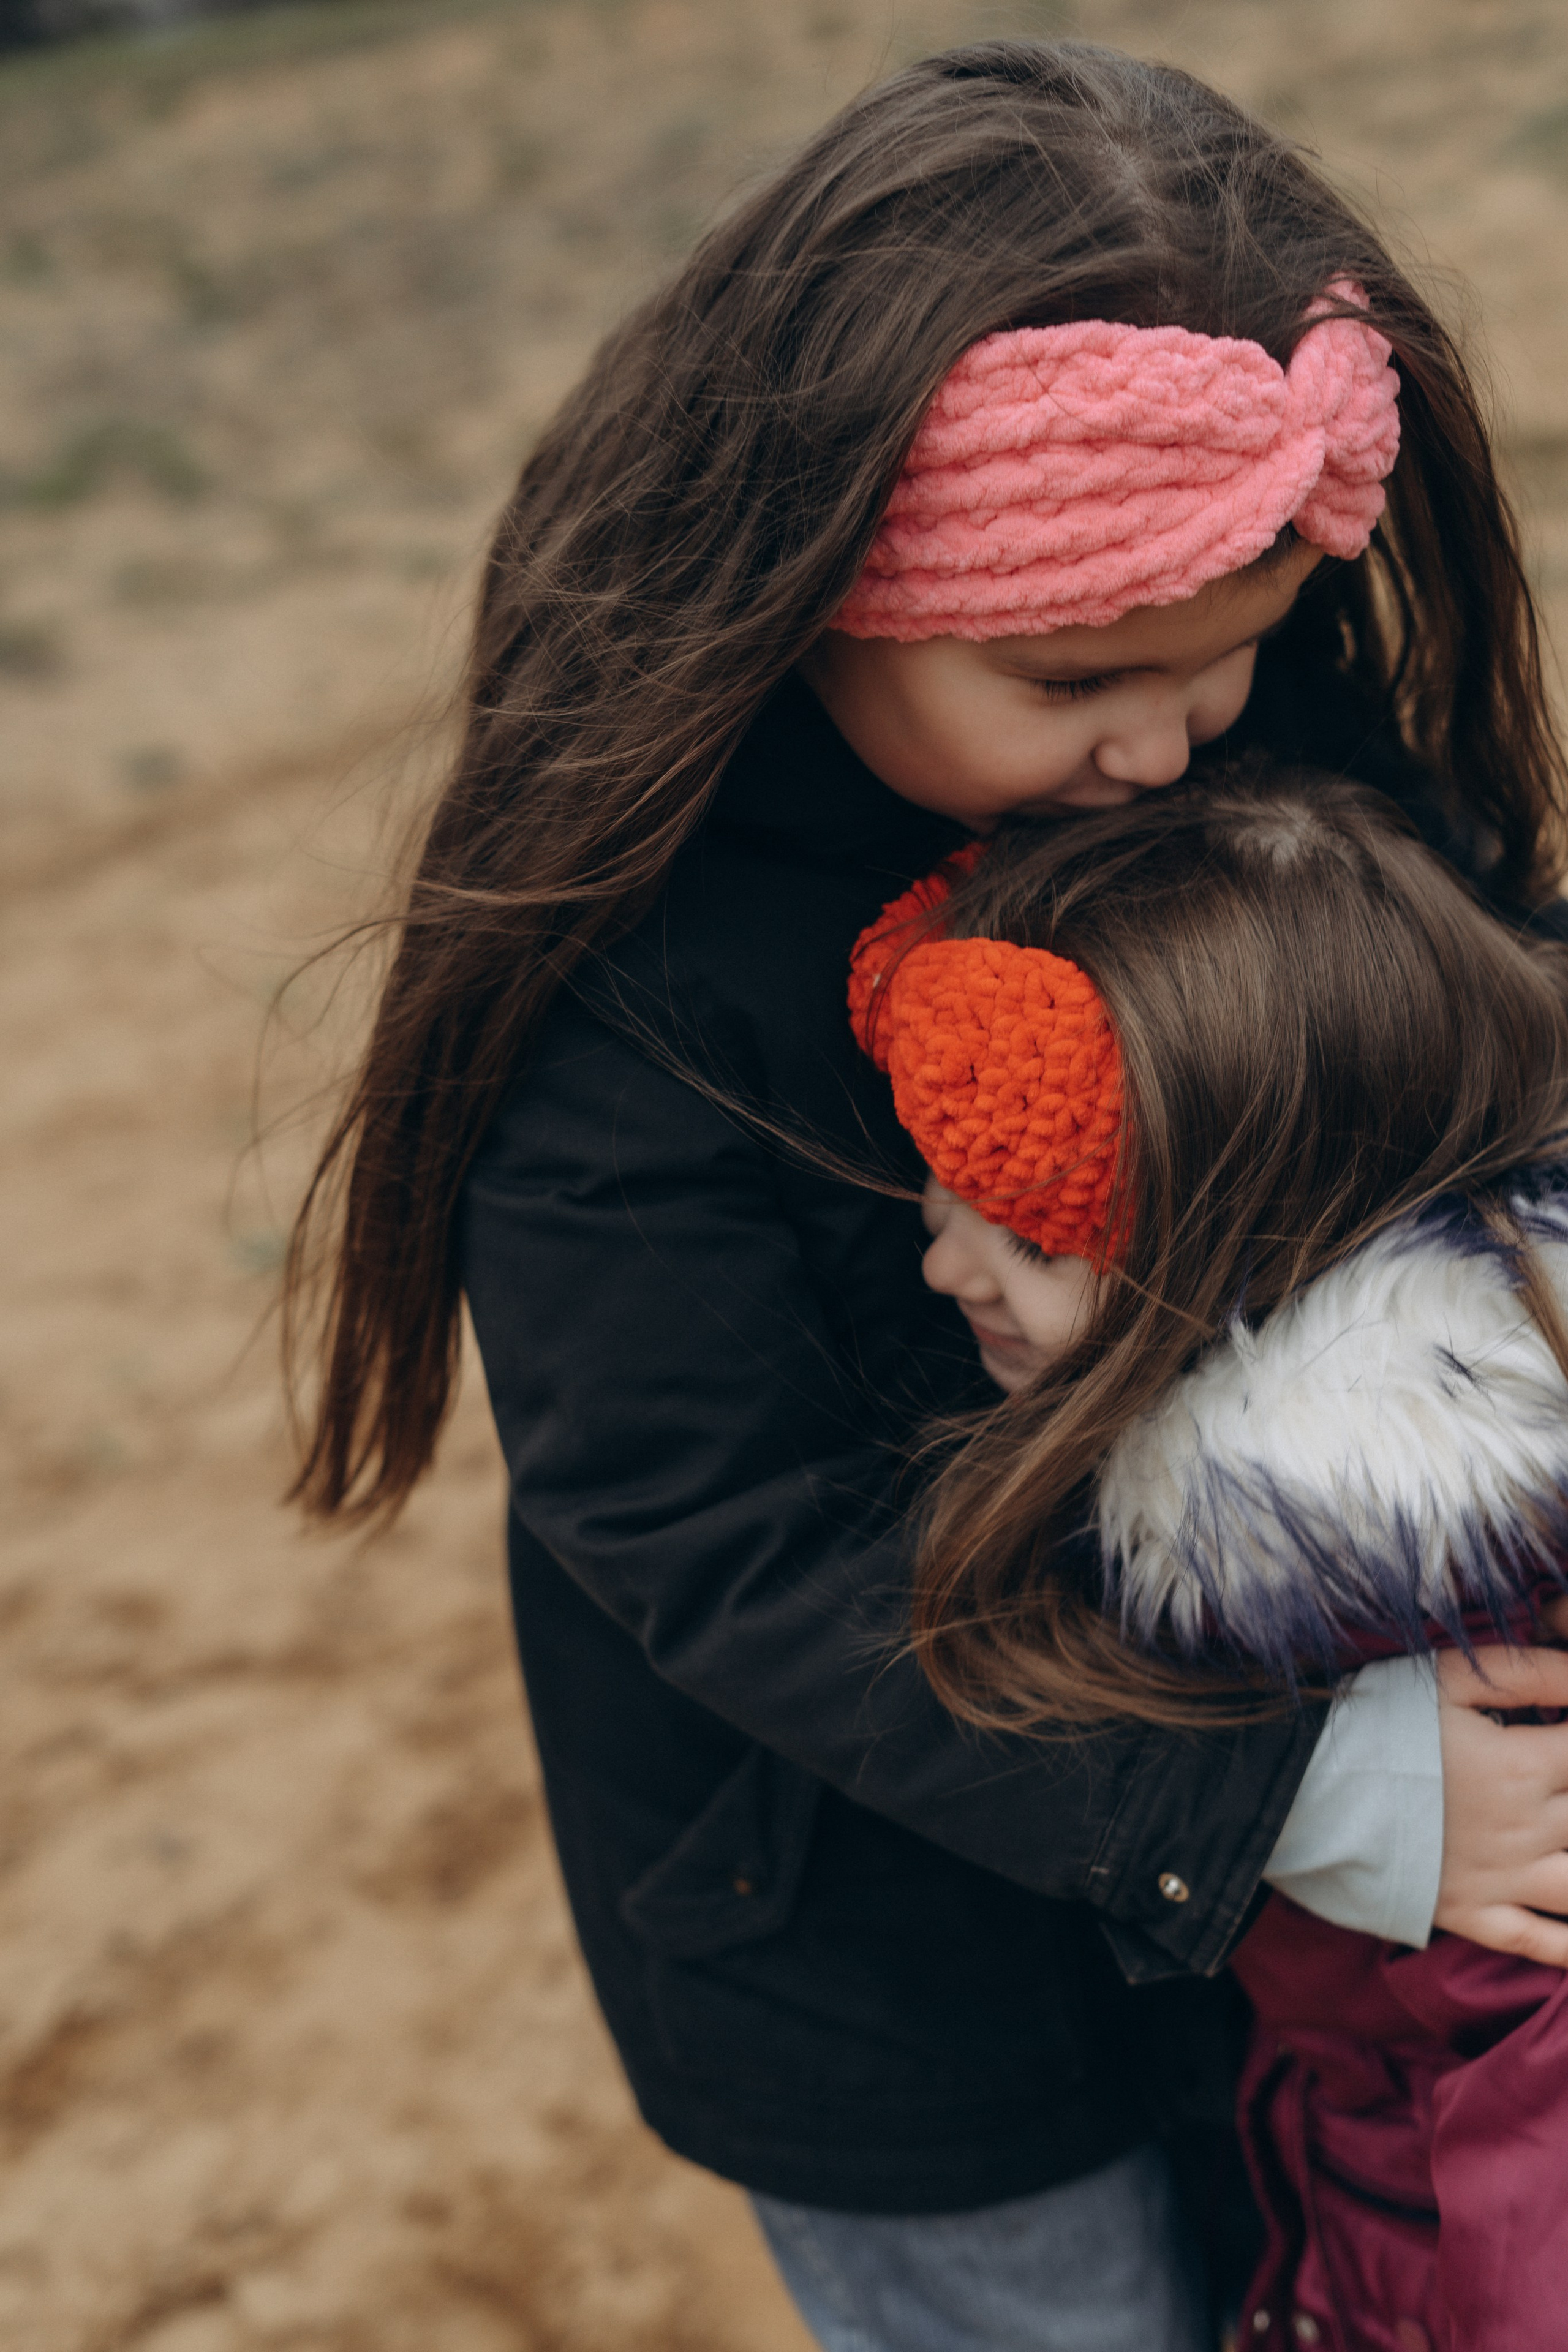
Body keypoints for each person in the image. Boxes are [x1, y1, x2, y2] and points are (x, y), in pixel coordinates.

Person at [284, 39, 1568, 2352]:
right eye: (1080, 679)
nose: (1173, 744)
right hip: (886, 1976)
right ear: (814, 585)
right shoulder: (629, 979)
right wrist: (1317, 1793)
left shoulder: (1294, 740)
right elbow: (714, 1524)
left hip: (1322, 1963)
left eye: (1235, 653)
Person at [880, 770, 1568, 2350]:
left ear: (1266, 1253)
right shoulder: (1271, 1533)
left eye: (1036, 1241)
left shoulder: (1425, 1618)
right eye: (944, 1178)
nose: (945, 1263)